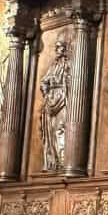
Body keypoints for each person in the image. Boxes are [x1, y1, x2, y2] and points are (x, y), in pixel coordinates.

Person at [39, 34, 70, 172]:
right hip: (50, 100)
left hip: (62, 99)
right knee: (50, 133)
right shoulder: (53, 66)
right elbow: (44, 81)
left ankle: (63, 161)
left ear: (64, 49)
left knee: (60, 129)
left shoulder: (67, 65)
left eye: (59, 47)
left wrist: (63, 85)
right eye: (56, 48)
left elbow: (71, 81)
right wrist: (46, 89)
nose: (57, 50)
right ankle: (53, 163)